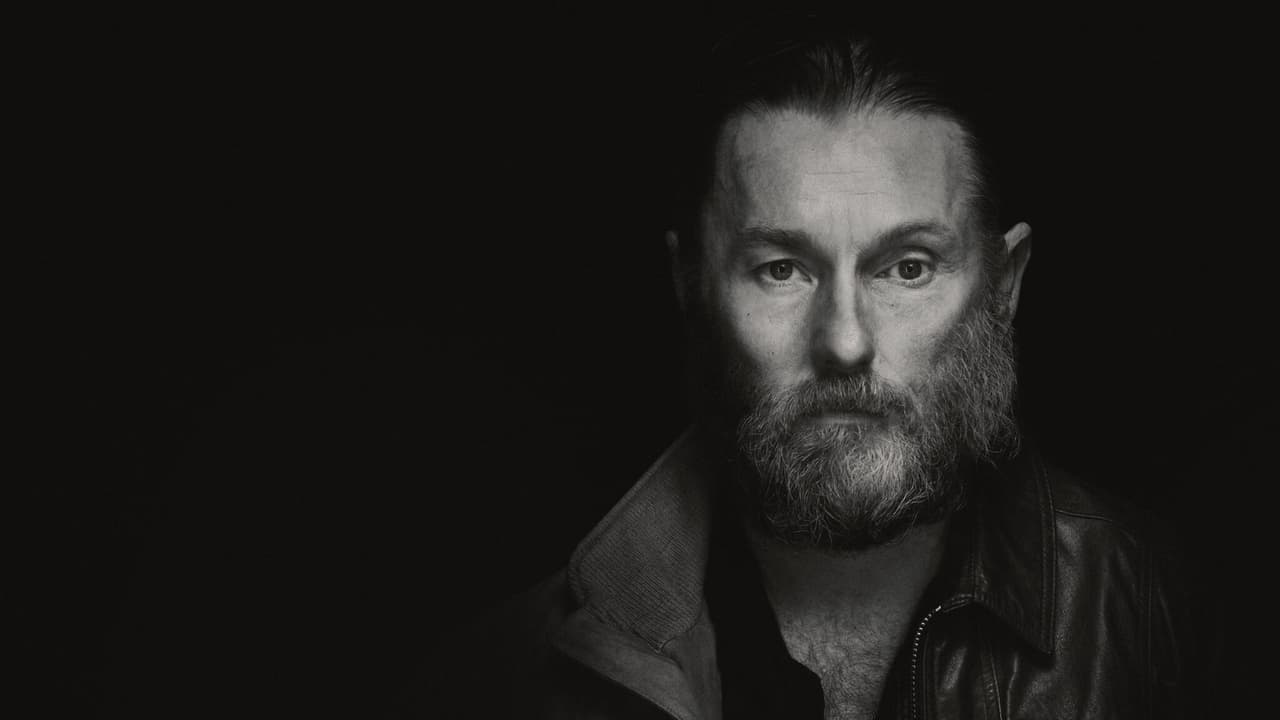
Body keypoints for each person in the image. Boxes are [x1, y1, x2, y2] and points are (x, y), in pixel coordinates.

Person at [399, 15, 1199, 720]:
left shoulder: (1155, 614)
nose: (845, 342)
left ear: (1004, 285)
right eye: (781, 269)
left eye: (908, 268)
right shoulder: (502, 677)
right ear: (690, 285)